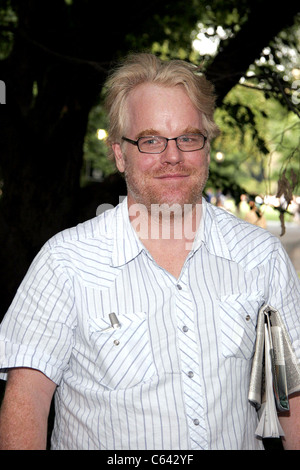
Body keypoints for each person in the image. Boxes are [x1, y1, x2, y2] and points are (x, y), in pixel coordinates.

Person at [0, 53, 299, 451]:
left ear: (207, 147)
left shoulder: (261, 256)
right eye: (151, 140)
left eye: (188, 138)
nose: (172, 156)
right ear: (121, 154)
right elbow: (27, 402)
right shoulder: (65, 263)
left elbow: (290, 395)